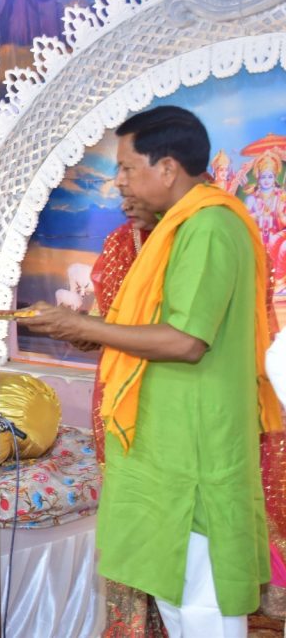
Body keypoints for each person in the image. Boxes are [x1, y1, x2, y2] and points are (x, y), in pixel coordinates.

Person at [23, 106, 281, 636]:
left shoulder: (209, 225)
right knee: (177, 596)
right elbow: (159, 325)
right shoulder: (177, 228)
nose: (119, 181)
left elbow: (186, 341)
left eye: (126, 167)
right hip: (166, 442)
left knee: (204, 605)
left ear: (166, 168)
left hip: (196, 443)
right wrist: (89, 328)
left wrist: (83, 325)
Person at [87, 195, 162, 636]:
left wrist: (86, 328)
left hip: (170, 394)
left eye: (135, 176)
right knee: (128, 505)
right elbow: (104, 322)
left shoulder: (192, 240)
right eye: (122, 180)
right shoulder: (120, 242)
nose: (126, 195)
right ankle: (134, 624)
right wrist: (78, 329)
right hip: (117, 390)